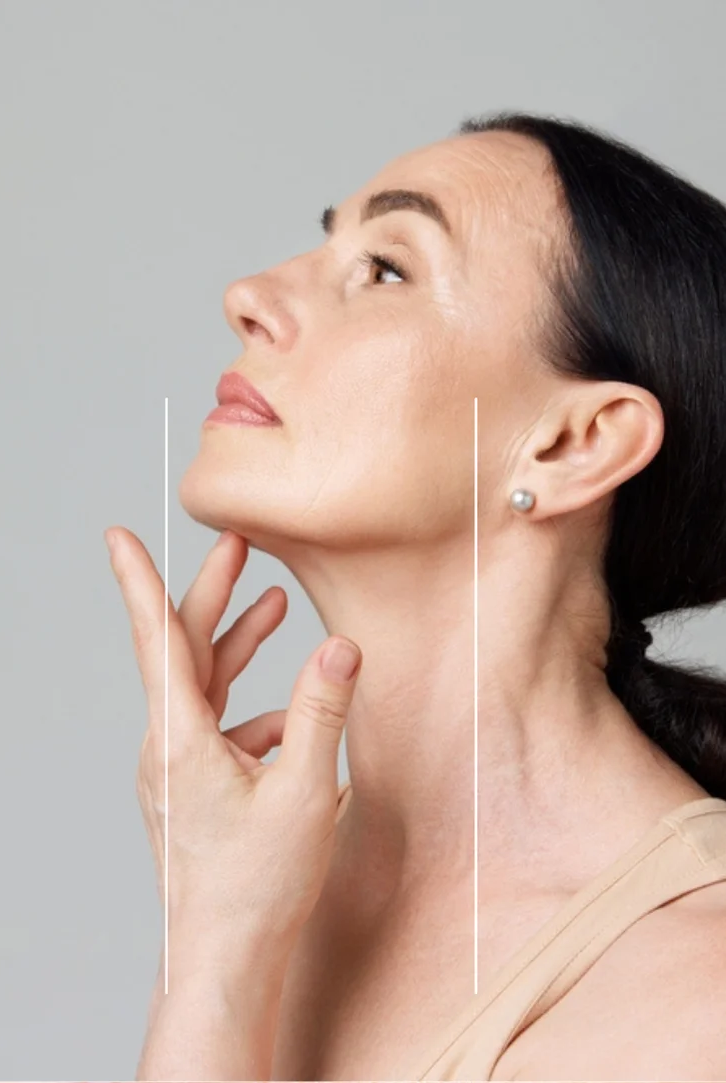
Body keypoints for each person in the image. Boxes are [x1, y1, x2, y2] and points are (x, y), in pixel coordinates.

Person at [144, 110, 726, 1081]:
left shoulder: (695, 994)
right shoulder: (262, 882)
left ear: (573, 444)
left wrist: (209, 968)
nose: (248, 297)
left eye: (386, 269)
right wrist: (214, 933)